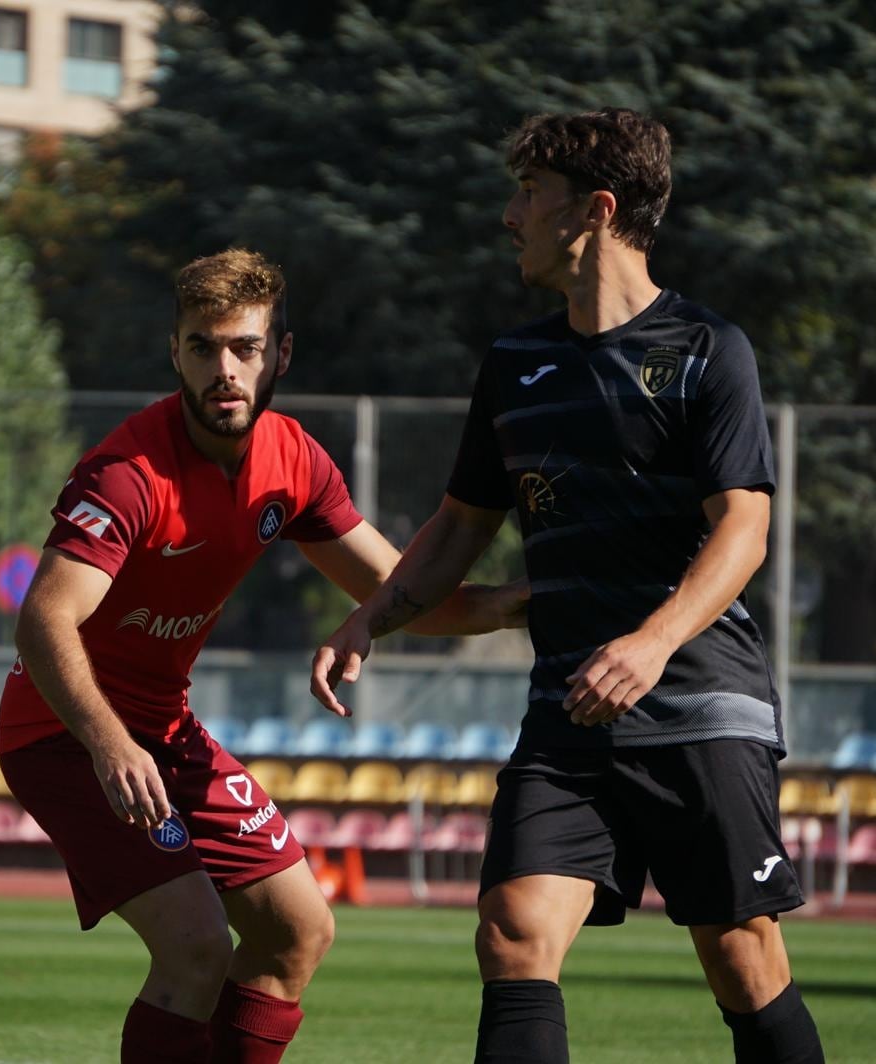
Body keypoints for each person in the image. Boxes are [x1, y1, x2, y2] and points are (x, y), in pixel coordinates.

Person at [311, 109, 825, 1064]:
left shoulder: (711, 349)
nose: (511, 215)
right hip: (566, 713)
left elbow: (743, 530)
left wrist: (651, 642)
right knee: (512, 932)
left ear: (594, 210)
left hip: (701, 705)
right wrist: (370, 619)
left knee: (742, 957)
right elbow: (462, 525)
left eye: (529, 194)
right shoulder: (514, 365)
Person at [0, 248, 527, 1064]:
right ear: (174, 351)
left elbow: (404, 593)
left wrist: (528, 605)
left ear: (281, 352)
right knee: (197, 948)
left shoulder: (294, 460)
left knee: (298, 931)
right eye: (202, 347)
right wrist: (109, 744)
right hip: (63, 735)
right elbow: (43, 621)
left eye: (244, 348)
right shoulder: (127, 474)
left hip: (164, 731)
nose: (224, 370)